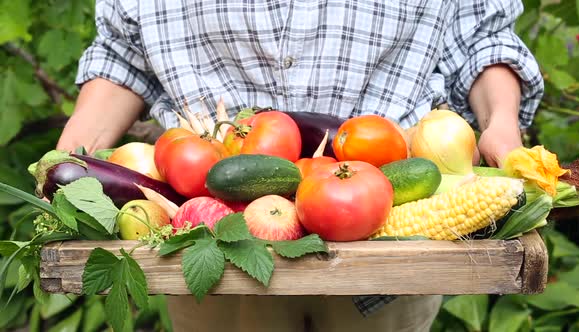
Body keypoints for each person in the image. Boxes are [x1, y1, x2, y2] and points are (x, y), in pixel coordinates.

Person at [56, 0, 544, 331]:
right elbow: (123, 54)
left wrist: (500, 122)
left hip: (390, 251)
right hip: (212, 244)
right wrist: (76, 151)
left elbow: (481, 35)